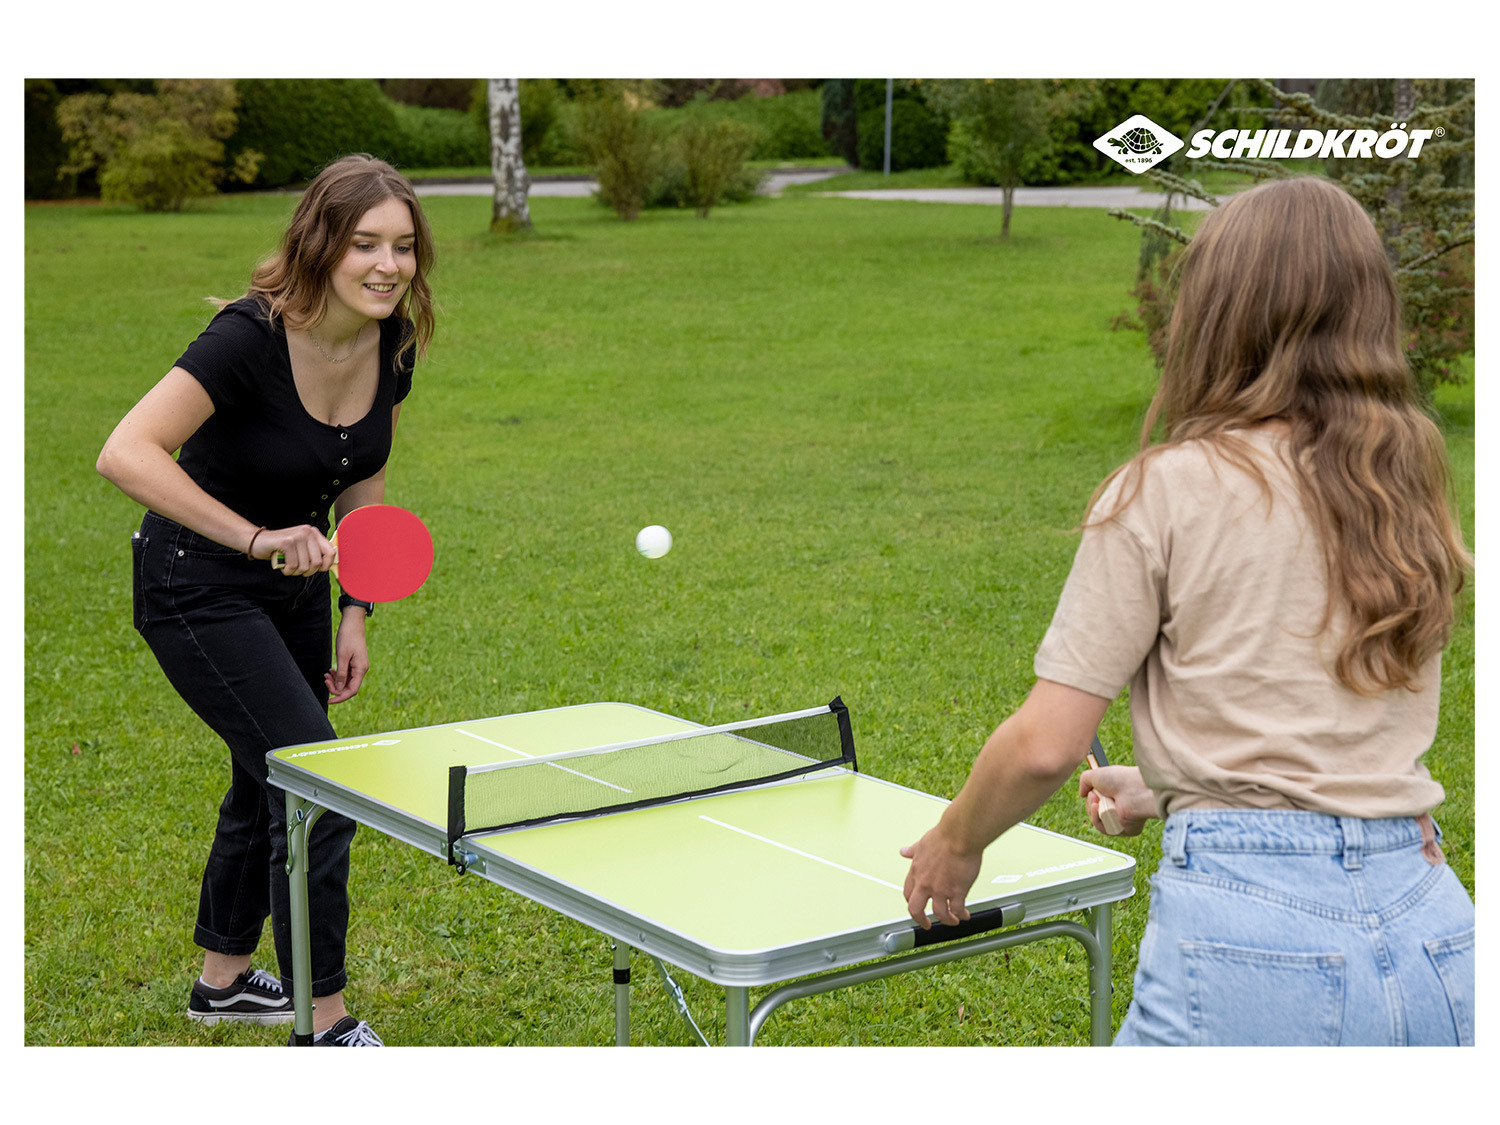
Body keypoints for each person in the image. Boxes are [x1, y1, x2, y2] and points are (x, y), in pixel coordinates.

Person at [899, 176, 1474, 1046]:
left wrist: (956, 839)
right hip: (1438, 928)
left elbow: (1046, 744)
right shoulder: (1403, 489)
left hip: (1249, 937)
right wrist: (1172, 788)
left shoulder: (1163, 488)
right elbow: (1327, 741)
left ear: (1217, 315)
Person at [97, 154, 436, 1047]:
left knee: (268, 770)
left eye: (403, 246)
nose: (388, 265)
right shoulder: (248, 337)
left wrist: (357, 605)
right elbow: (125, 451)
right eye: (365, 243)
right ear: (321, 243)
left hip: (297, 588)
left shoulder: (390, 343)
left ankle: (222, 981)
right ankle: (322, 1024)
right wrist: (254, 537)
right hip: (195, 583)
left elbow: (363, 478)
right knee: (318, 782)